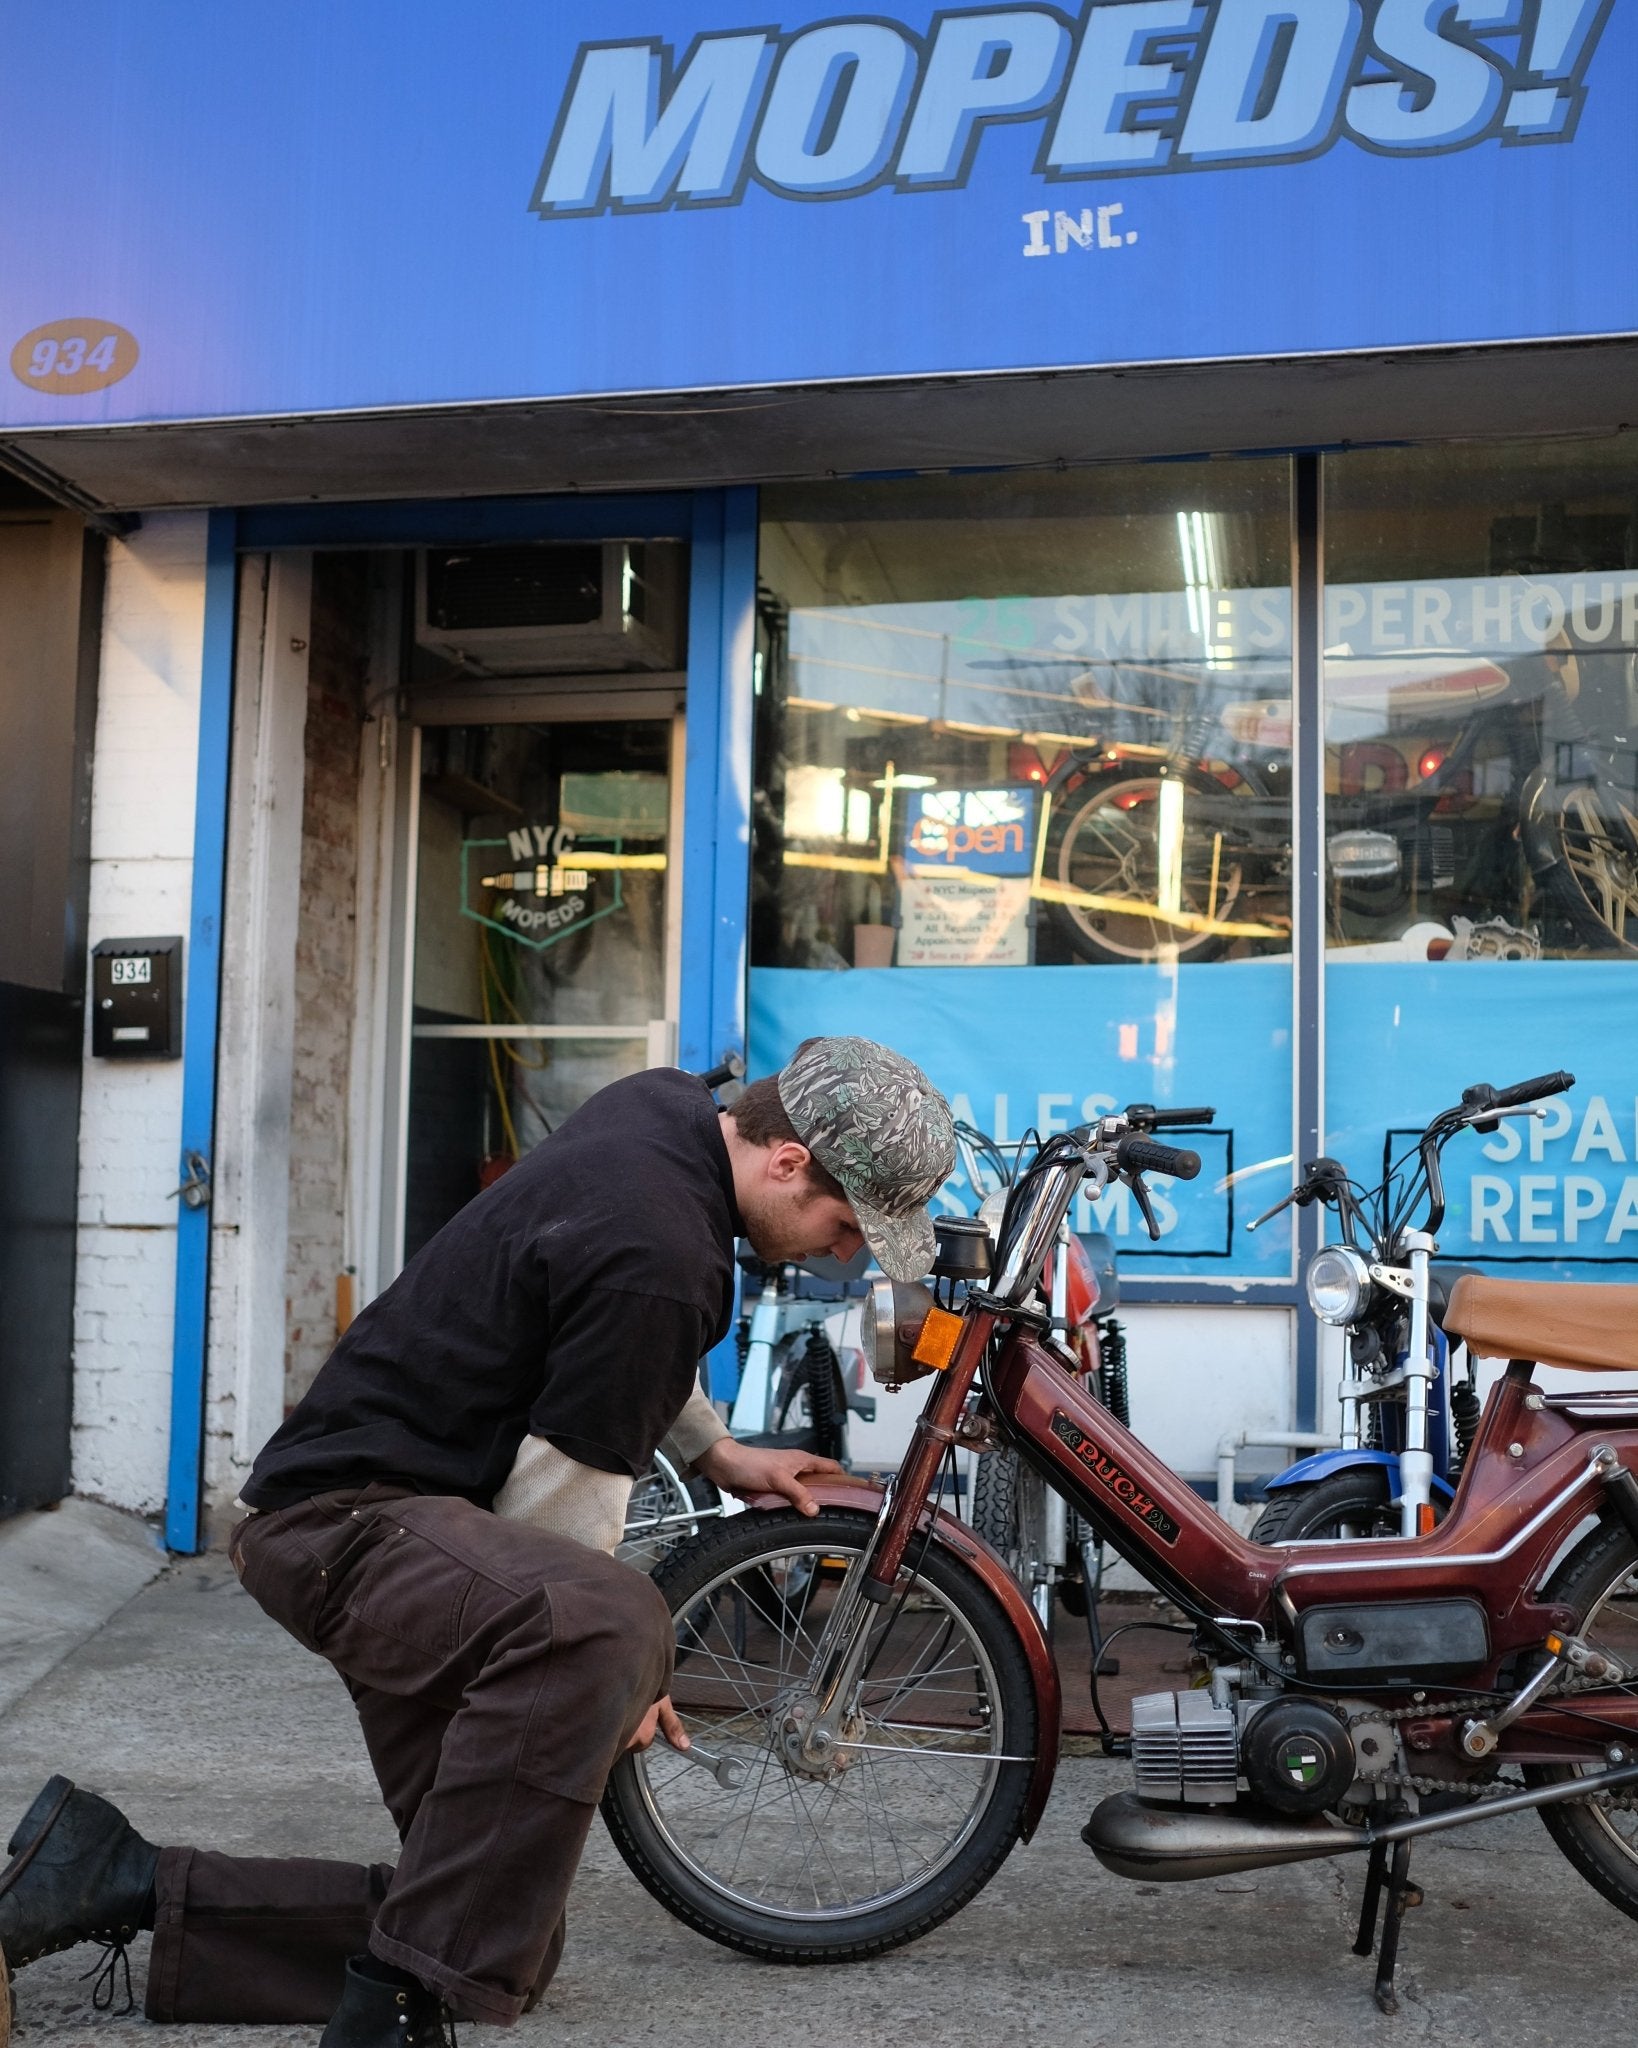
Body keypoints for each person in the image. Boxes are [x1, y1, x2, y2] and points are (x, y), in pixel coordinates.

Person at [0, 1036, 955, 2047]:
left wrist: (717, 1449)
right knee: (606, 1626)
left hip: (399, 1521)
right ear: (789, 1159)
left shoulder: (667, 1114)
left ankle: (113, 1875)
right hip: (348, 1527)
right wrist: (613, 1666)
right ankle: (387, 2018)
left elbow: (601, 1321)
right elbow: (566, 1501)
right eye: (844, 1225)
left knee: (491, 1938)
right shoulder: (663, 1249)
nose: (844, 1255)